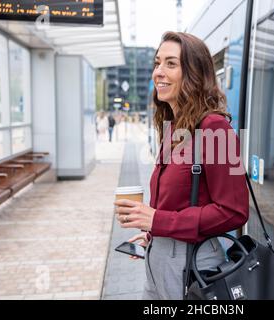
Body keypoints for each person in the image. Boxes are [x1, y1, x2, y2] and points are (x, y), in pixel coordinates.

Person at [114, 31, 249, 300]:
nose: (159, 72)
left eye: (171, 64)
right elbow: (179, 203)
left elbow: (235, 212)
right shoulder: (174, 128)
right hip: (159, 260)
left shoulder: (215, 129)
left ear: (194, 74)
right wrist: (154, 234)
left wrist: (157, 220)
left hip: (193, 268)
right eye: (157, 63)